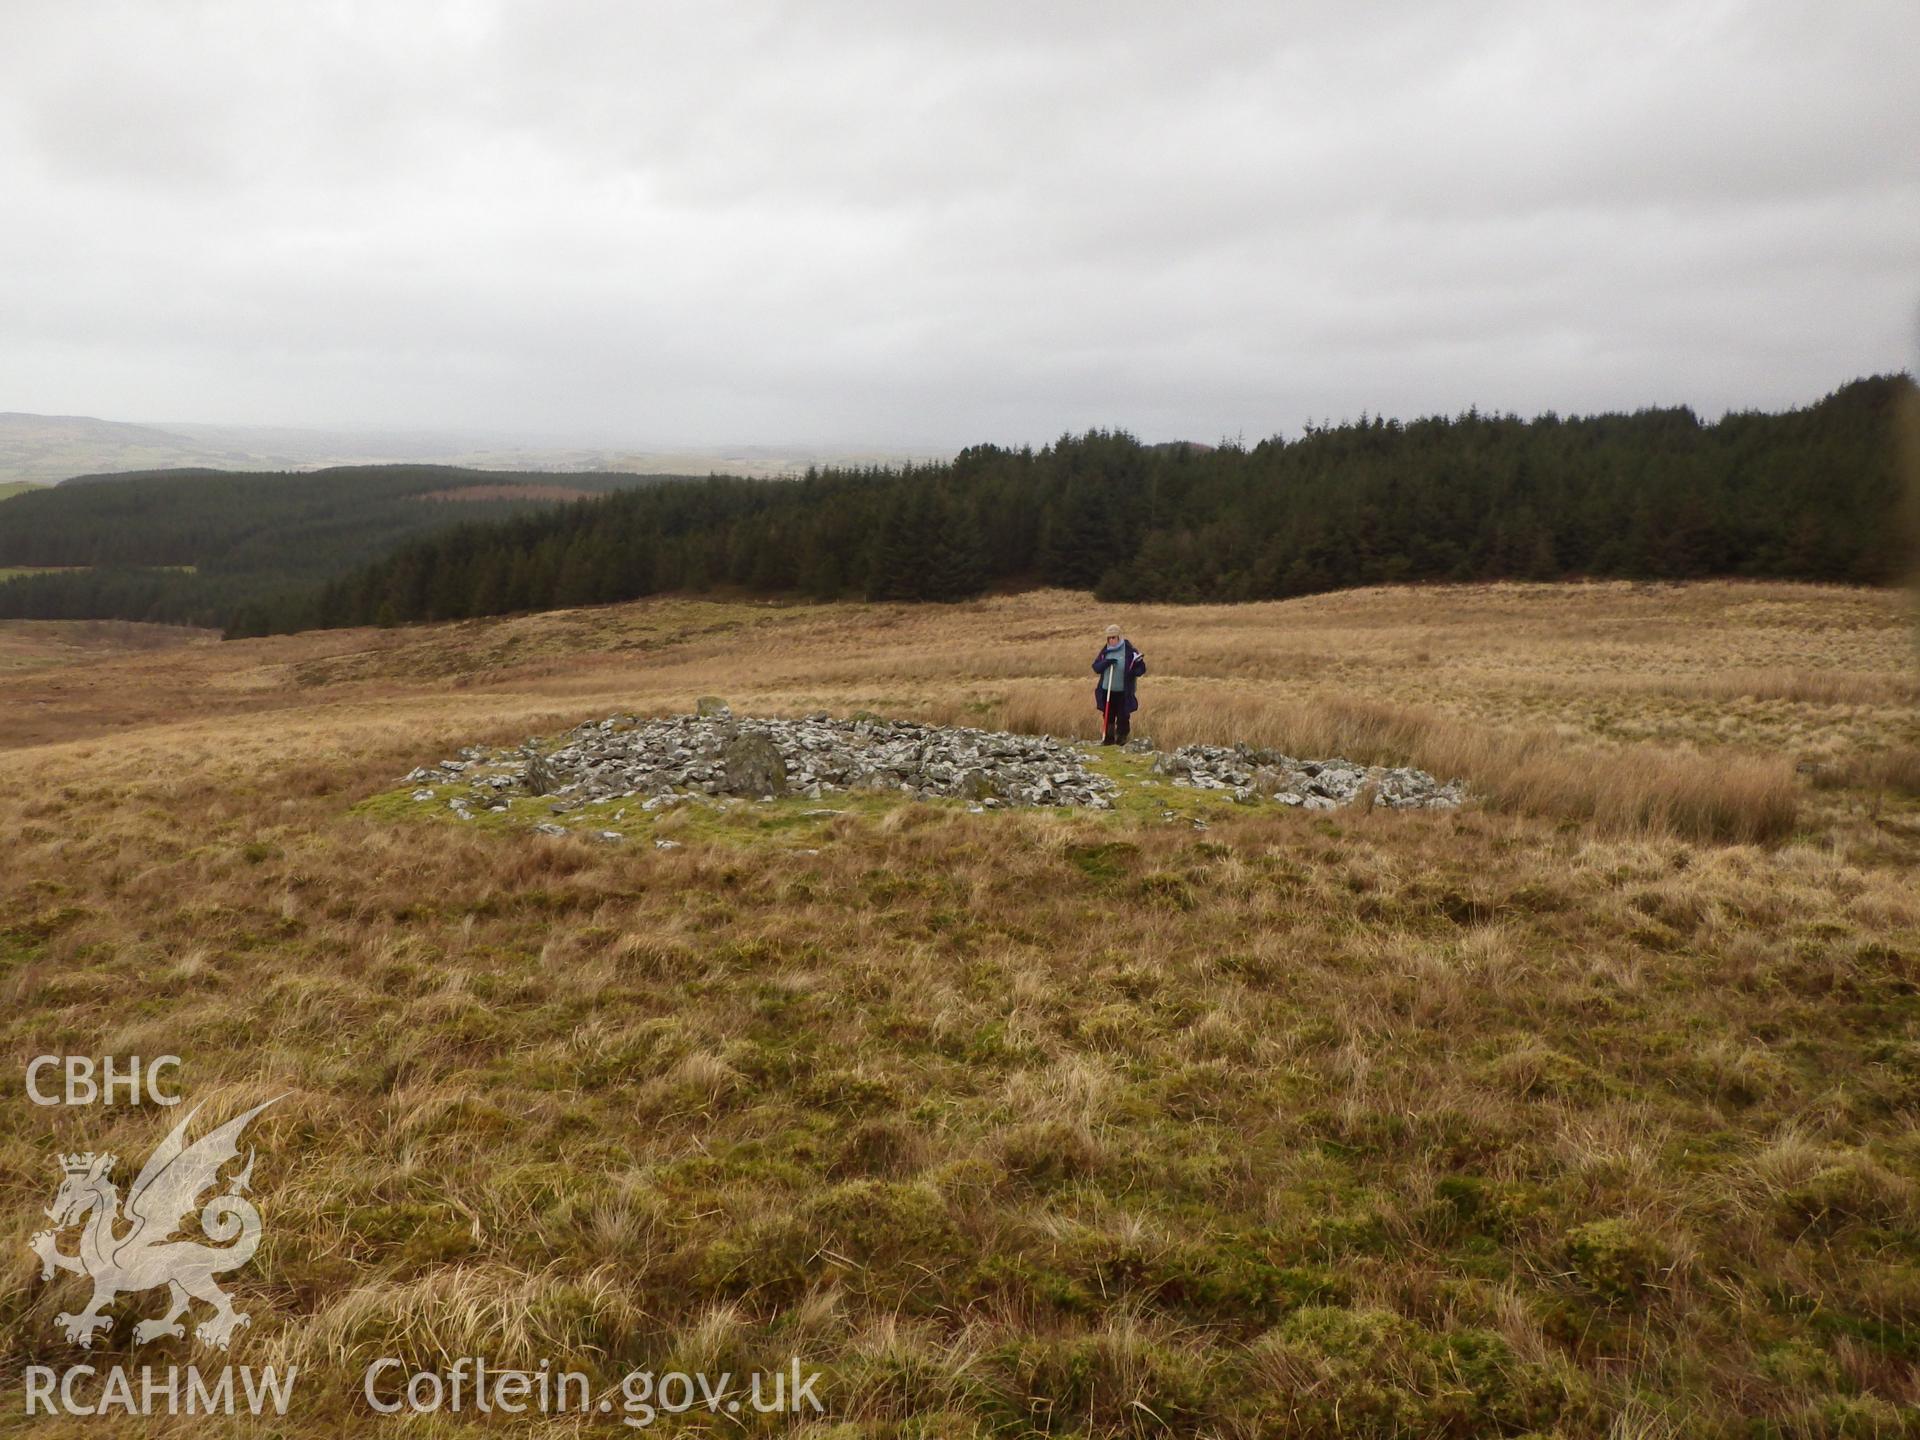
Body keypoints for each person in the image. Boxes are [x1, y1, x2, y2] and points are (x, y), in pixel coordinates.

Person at [1091, 623, 1146, 746]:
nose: (1111, 640)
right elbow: (1096, 667)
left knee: (1123, 716)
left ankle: (1121, 740)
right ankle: (1108, 739)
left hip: (1123, 692)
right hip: (1107, 690)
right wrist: (1106, 662)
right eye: (1109, 638)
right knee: (1108, 716)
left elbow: (1141, 668)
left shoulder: (1129, 650)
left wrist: (1134, 671)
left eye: (1114, 637)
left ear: (1119, 637)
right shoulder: (1105, 651)